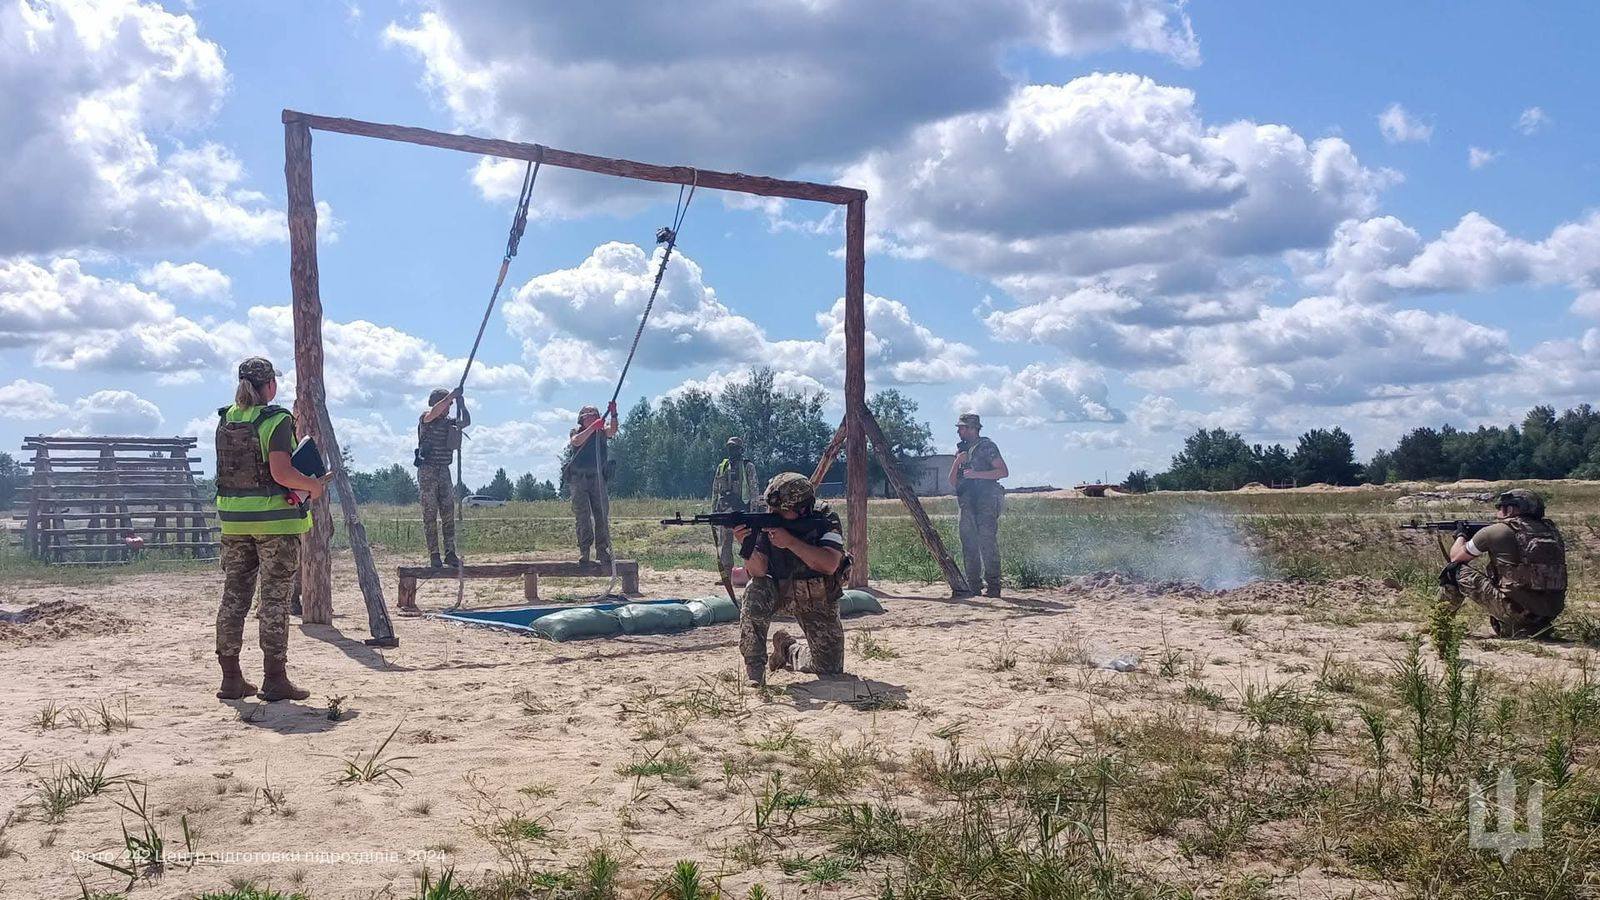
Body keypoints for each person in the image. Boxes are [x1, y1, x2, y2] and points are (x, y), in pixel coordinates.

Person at [213, 357, 330, 702]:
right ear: (269, 387)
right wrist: (313, 485)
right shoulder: (276, 419)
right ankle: (274, 679)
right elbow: (281, 473)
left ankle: (231, 678)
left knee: (234, 597)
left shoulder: (226, 419)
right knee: (274, 599)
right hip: (274, 522)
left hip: (234, 520)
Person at [733, 473, 848, 686]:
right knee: (755, 589)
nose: (773, 514)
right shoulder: (765, 523)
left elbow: (830, 563)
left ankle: (788, 650)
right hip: (779, 594)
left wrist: (790, 543)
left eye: (781, 512)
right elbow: (758, 571)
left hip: (817, 599)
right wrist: (746, 544)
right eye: (771, 510)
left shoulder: (825, 518)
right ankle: (755, 671)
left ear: (803, 509)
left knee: (830, 668)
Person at [1440, 488, 1567, 638]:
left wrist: (1461, 534)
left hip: (1517, 613)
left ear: (1510, 509)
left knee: (1453, 571)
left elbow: (1456, 557)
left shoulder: (1497, 531)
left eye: (1500, 507)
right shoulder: (1552, 532)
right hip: (1548, 615)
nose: (1498, 511)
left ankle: (1440, 622)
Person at [948, 412, 1008, 598]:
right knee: (968, 544)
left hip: (986, 500)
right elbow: (952, 481)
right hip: (966, 502)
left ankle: (993, 587)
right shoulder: (961, 450)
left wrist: (976, 475)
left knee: (987, 542)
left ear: (973, 428)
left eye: (962, 427)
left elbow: (1003, 471)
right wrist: (958, 461)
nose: (959, 431)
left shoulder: (987, 447)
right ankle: (973, 586)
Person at [416, 386, 469, 568]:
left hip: (444, 471)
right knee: (430, 514)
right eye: (447, 403)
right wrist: (452, 395)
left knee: (448, 512)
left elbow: (466, 422)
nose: (448, 407)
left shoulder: (448, 422)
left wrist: (461, 404)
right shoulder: (426, 418)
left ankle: (450, 553)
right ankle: (434, 554)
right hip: (428, 471)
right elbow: (436, 410)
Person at [567, 401, 619, 566]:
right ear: (581, 418)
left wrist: (613, 413)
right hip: (579, 479)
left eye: (593, 413)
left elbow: (613, 430)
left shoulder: (602, 432)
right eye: (587, 414)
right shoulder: (577, 431)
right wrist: (592, 428)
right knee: (582, 516)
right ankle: (585, 550)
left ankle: (602, 550)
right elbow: (576, 441)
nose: (590, 416)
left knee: (601, 515)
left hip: (597, 477)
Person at [711, 436, 760, 571]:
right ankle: (727, 572)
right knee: (725, 542)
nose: (732, 450)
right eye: (730, 448)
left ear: (740, 449)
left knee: (746, 541)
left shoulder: (747, 466)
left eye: (735, 448)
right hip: (725, 509)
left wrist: (754, 511)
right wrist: (714, 509)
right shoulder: (722, 467)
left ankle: (750, 570)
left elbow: (754, 488)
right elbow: (715, 489)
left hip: (742, 509)